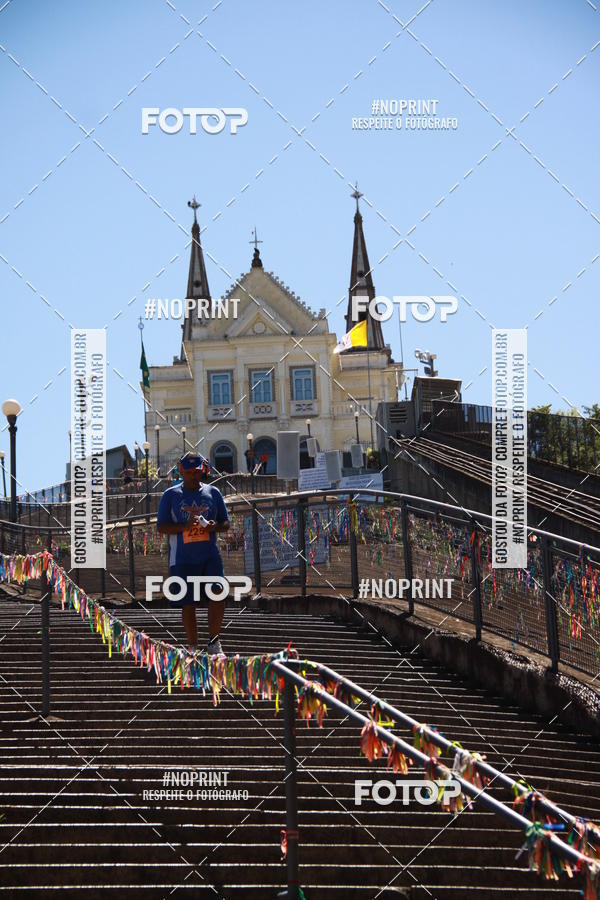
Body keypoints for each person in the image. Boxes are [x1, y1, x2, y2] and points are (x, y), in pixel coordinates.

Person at [156, 453, 230, 655]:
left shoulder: (213, 492)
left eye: (196, 472)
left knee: (218, 593)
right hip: (182, 558)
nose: (192, 476)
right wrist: (184, 527)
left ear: (202, 470)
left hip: (209, 554)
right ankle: (193, 646)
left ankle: (214, 643)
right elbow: (161, 527)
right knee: (187, 603)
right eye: (188, 472)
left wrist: (214, 526)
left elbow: (226, 523)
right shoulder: (170, 495)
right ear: (180, 470)